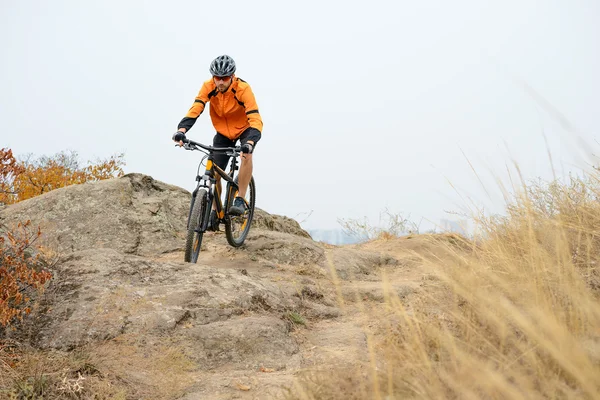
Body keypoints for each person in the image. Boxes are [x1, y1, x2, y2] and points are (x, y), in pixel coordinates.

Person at [172, 55, 262, 220]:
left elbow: (255, 119)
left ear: (232, 77)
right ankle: (217, 211)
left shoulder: (242, 89)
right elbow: (196, 107)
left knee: (246, 155)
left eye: (225, 78)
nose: (220, 82)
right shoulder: (208, 86)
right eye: (217, 78)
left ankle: (240, 198)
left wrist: (250, 142)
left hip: (244, 129)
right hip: (223, 132)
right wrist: (182, 130)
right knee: (214, 172)